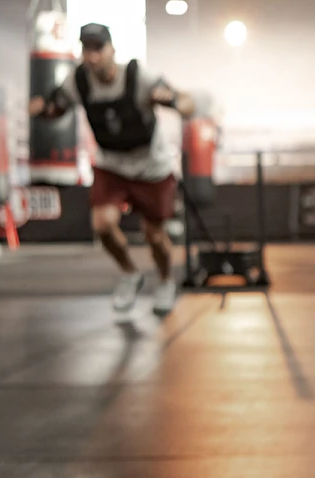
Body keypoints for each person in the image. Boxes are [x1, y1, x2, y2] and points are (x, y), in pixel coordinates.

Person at [29, 22, 195, 315]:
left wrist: (174, 103)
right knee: (102, 225)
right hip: (111, 163)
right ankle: (130, 273)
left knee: (155, 235)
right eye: (87, 49)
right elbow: (57, 108)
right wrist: (41, 110)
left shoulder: (139, 77)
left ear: (111, 50)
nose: (92, 56)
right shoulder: (78, 82)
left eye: (98, 49)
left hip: (150, 165)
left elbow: (186, 102)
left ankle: (165, 281)